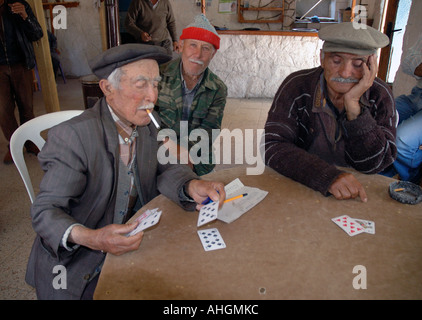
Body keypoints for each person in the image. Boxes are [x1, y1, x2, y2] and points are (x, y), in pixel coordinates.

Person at [25, 44, 226, 300]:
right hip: (78, 260)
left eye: (156, 83)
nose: (152, 96)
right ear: (108, 88)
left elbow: (165, 167)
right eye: (141, 84)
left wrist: (191, 185)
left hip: (129, 243)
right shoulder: (73, 137)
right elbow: (45, 212)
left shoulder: (148, 125)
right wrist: (94, 238)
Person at [263, 22, 397, 202]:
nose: (345, 72)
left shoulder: (380, 95)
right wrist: (328, 176)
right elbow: (273, 145)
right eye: (336, 61)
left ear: (371, 66)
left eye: (358, 64)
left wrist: (354, 107)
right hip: (304, 180)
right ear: (322, 58)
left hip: (358, 189)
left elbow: (375, 164)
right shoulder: (296, 86)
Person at [155, 14, 227, 176]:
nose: (198, 54)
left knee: (209, 196)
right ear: (180, 46)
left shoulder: (218, 88)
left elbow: (210, 130)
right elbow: (147, 122)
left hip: (198, 158)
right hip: (160, 153)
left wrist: (185, 155)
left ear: (213, 54)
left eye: (206, 48)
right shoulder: (158, 76)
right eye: (192, 45)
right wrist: (174, 151)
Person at [0, 0, 43, 164]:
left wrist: (25, 16)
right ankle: (14, 146)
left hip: (21, 64)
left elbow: (37, 34)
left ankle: (30, 142)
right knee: (3, 110)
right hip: (0, 67)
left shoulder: (19, 5)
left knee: (27, 107)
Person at [385, 35, 422, 185]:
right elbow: (407, 63)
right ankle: (383, 174)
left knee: (402, 140)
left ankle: (410, 181)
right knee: (380, 118)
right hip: (417, 94)